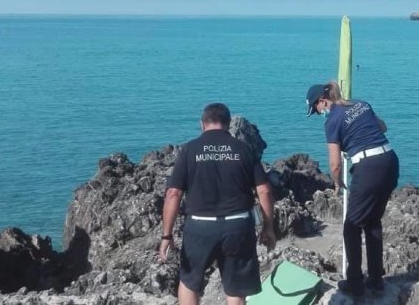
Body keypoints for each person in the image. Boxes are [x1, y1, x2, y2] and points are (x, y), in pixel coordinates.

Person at [159, 103, 276, 305]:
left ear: (202, 124)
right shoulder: (244, 149)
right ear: (228, 124)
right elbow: (264, 190)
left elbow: (173, 193)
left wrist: (166, 235)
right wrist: (268, 227)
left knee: (188, 283)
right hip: (237, 226)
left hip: (199, 227)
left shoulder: (189, 150)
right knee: (236, 289)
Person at [305, 82, 399, 297]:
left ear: (322, 101)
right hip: (390, 161)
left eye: (316, 108)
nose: (318, 112)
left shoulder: (332, 121)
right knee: (372, 221)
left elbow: (335, 163)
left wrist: (337, 183)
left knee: (351, 225)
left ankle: (355, 283)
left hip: (369, 168)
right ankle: (376, 279)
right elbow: (382, 127)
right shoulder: (361, 104)